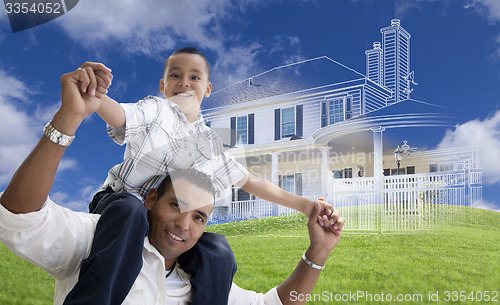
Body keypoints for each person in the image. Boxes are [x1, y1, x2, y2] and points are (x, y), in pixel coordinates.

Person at [0, 63, 345, 304]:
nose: (184, 223)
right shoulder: (100, 239)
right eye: (177, 205)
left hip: (166, 228)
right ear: (154, 199)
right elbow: (20, 217)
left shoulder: (203, 270)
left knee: (219, 248)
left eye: (199, 217)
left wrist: (317, 250)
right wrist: (73, 114)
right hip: (120, 207)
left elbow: (277, 304)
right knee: (128, 211)